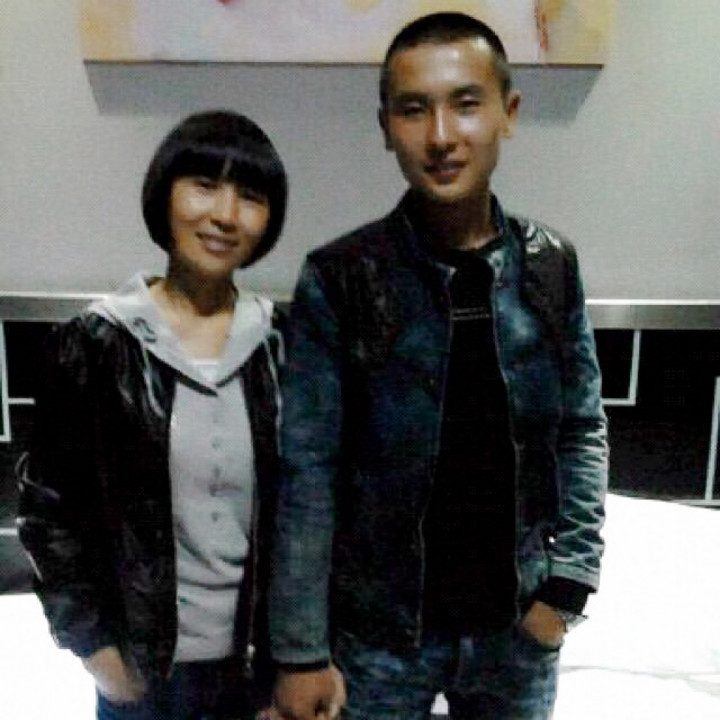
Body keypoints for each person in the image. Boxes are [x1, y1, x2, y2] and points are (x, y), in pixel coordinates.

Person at [269, 12, 608, 720]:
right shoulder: (340, 277)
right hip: (378, 636)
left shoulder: (551, 266)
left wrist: (568, 586)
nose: (442, 136)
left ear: (508, 113)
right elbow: (308, 473)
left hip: (517, 631)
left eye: (466, 103)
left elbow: (580, 430)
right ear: (386, 126)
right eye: (414, 109)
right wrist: (300, 651)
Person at [17, 109, 288, 720]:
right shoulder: (96, 342)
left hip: (256, 676)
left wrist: (296, 662)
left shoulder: (284, 345)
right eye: (204, 186)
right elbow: (48, 512)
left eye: (250, 196)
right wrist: (93, 649)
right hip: (140, 676)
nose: (225, 214)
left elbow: (314, 518)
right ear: (164, 195)